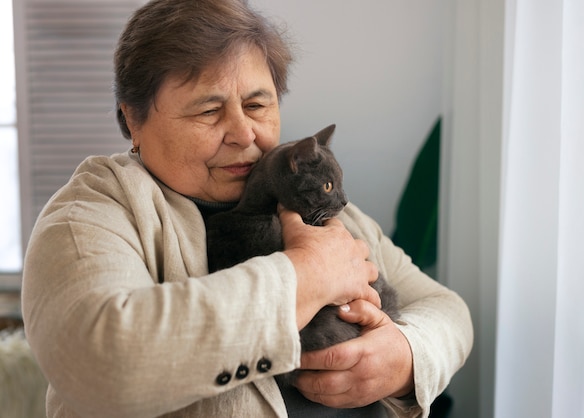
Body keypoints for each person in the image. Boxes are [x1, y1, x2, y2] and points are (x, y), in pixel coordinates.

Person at [20, 0, 473, 417]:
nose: (244, 134)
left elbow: (445, 308)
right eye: (208, 111)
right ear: (133, 120)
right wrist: (306, 276)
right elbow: (104, 364)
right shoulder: (90, 214)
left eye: (257, 105)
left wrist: (407, 355)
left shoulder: (310, 200)